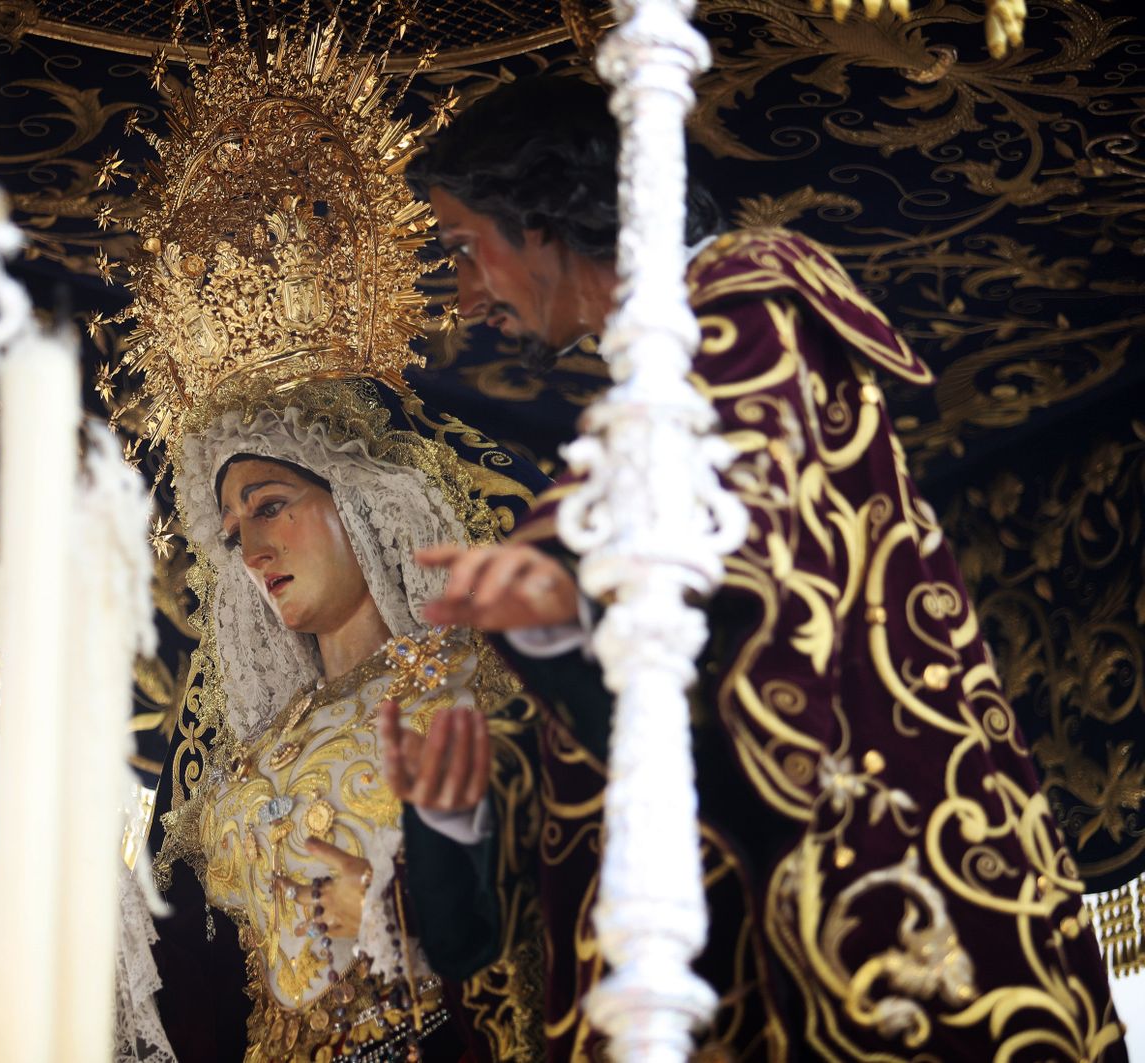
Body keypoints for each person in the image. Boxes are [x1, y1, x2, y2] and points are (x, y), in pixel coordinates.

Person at [381, 74, 1128, 1061]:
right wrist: (457, 808)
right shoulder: (655, 397)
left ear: (550, 217)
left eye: (463, 250)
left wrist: (558, 594)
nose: (468, 297)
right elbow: (645, 756)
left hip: (862, 917)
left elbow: (764, 623)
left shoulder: (748, 310)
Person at [146, 379, 545, 1062]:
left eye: (271, 505)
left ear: (358, 499)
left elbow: (545, 895)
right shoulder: (248, 754)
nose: (253, 552)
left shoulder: (475, 684)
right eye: (234, 533)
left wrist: (404, 923)